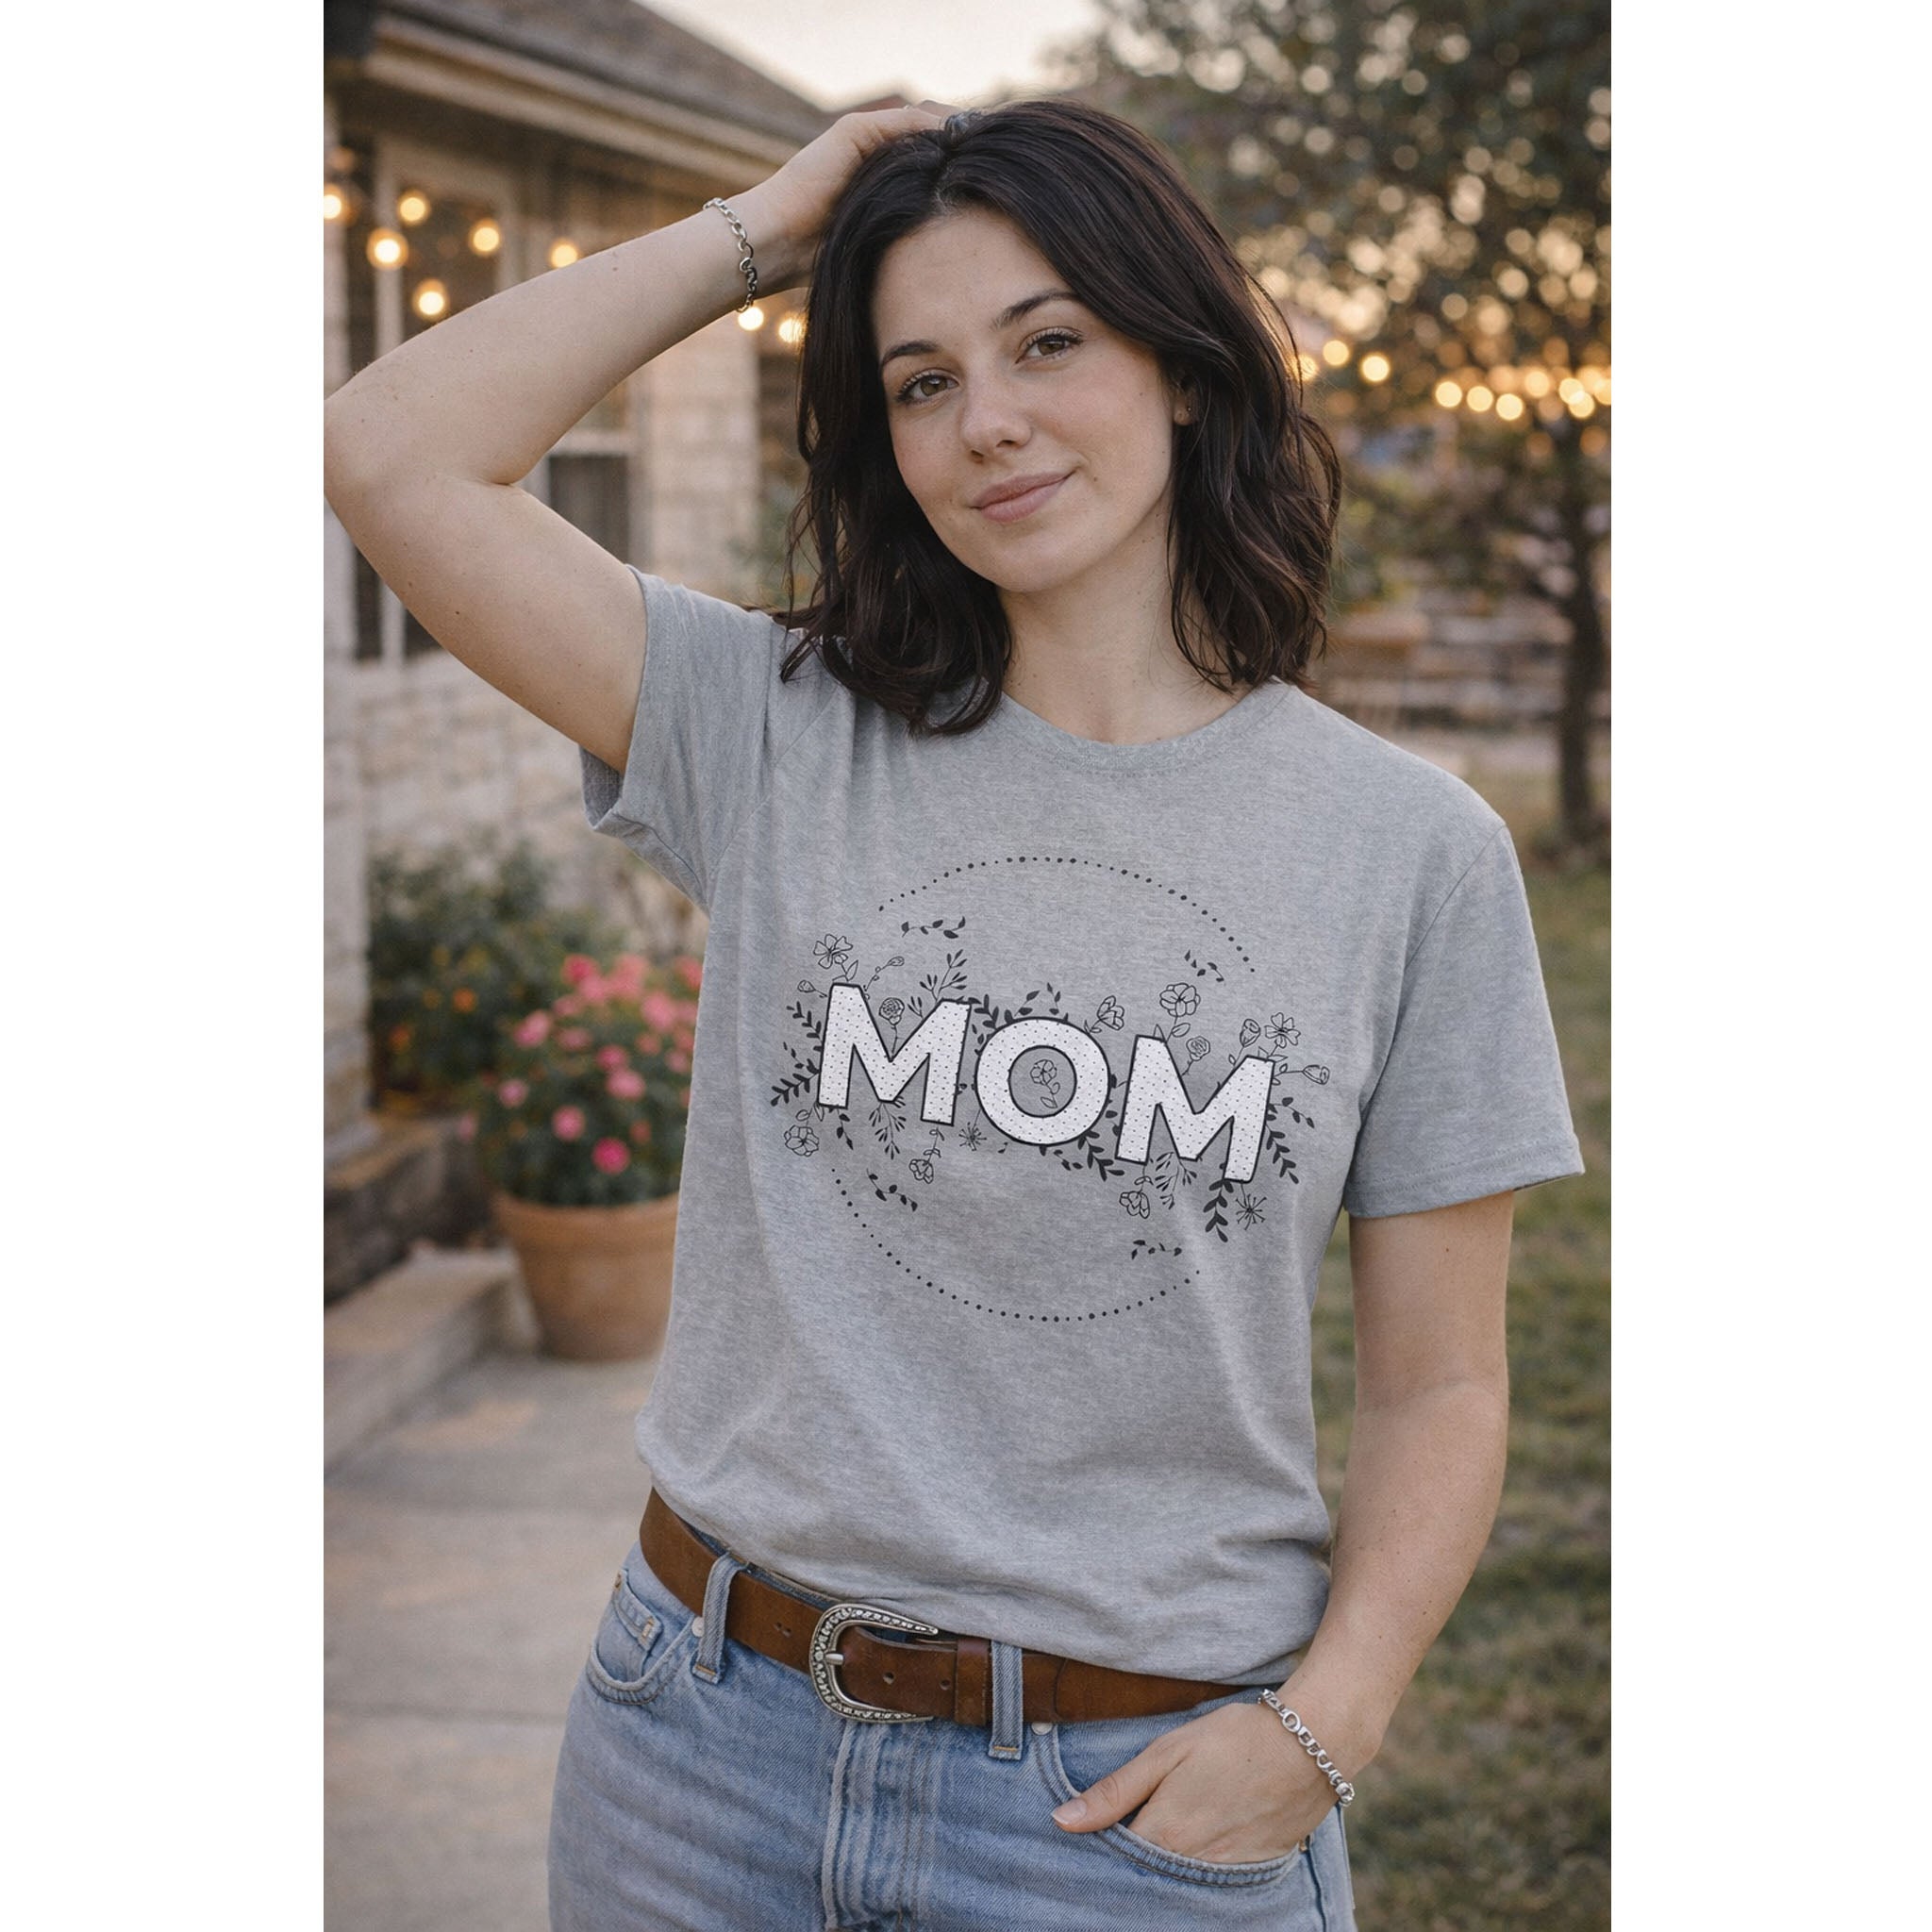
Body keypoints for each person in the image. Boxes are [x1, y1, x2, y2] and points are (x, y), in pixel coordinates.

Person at [325, 95, 1583, 1932]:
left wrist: (1327, 1722)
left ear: (1177, 360)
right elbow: (388, 454)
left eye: (1047, 342)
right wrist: (768, 224)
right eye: (917, 380)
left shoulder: (1410, 854)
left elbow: (1446, 1382)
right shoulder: (769, 729)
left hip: (1128, 1803)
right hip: (701, 1756)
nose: (982, 419)